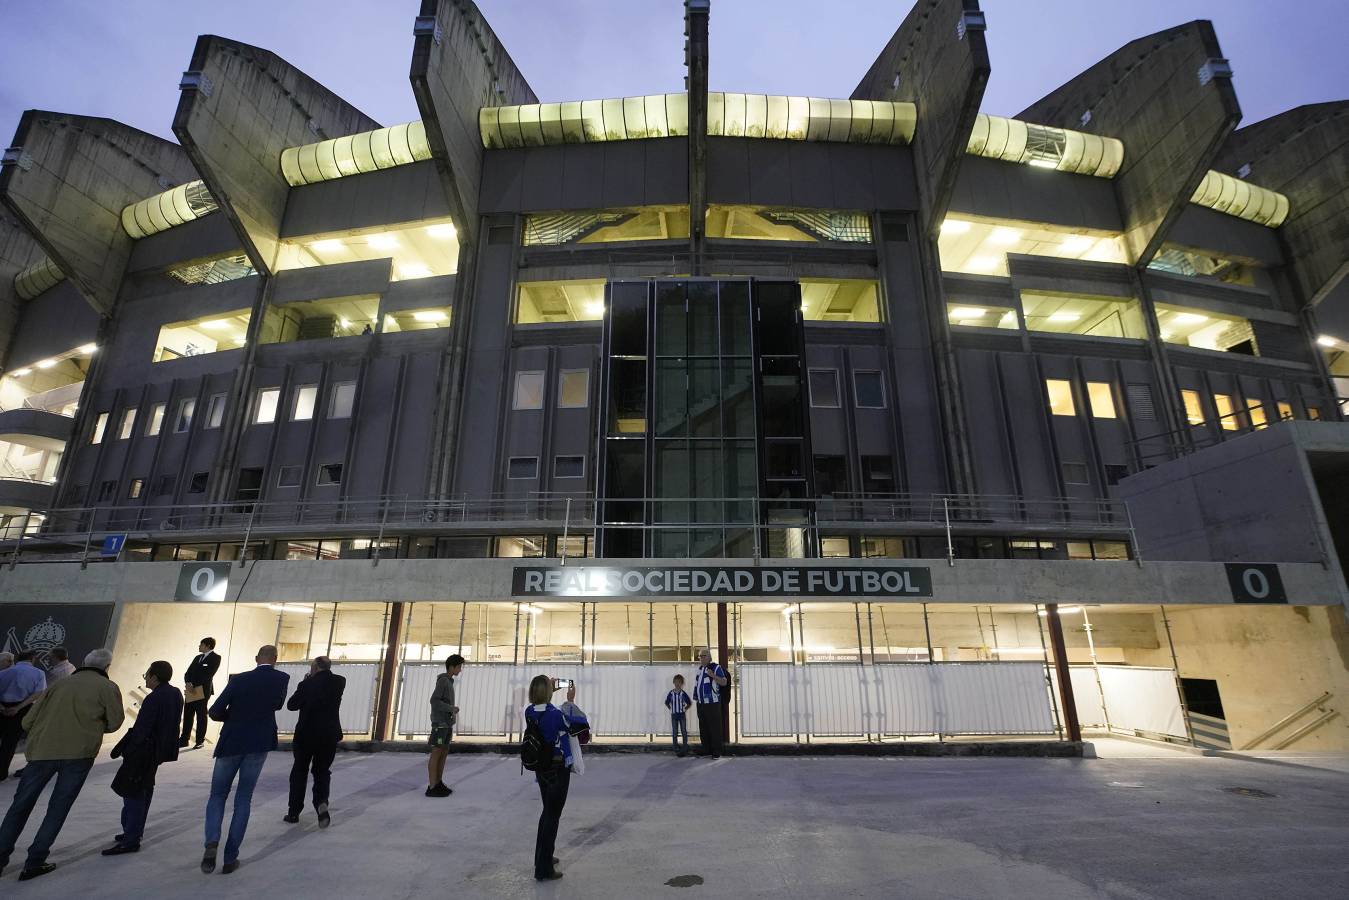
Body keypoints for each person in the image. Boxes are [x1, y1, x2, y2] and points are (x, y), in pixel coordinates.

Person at [0, 648, 123, 881]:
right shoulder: (108, 688)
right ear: (106, 668)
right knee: (58, 808)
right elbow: (115, 723)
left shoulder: (59, 685)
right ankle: (34, 862)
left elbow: (27, 721)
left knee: (20, 805)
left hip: (43, 752)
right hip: (78, 754)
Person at [201, 645, 289, 875]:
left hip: (231, 741)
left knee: (217, 795)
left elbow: (215, 710)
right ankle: (230, 857)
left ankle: (211, 841)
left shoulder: (239, 680)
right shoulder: (282, 679)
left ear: (256, 658)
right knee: (243, 798)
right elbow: (277, 704)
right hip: (259, 742)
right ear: (275, 660)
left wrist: (233, 718)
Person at [103, 660, 183, 855]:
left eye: (147, 674)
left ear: (154, 677)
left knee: (133, 792)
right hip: (158, 751)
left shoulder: (154, 698)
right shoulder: (175, 693)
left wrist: (130, 749)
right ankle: (133, 831)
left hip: (143, 751)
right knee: (144, 789)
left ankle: (130, 838)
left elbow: (143, 727)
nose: (146, 678)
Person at [525, 674, 575, 882]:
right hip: (557, 768)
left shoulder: (529, 712)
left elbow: (540, 708)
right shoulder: (555, 714)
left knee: (547, 812)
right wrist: (570, 701)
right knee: (553, 816)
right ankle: (544, 869)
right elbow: (572, 725)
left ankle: (542, 857)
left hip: (541, 767)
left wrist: (548, 693)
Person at [285, 656, 345, 827]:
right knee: (322, 771)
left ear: (316, 667)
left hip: (306, 735)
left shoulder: (306, 685)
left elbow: (292, 705)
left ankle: (294, 812)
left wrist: (304, 684)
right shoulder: (339, 682)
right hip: (329, 735)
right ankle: (321, 803)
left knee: (299, 771)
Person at [0, 650, 47, 781]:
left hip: (2, 708)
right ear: (32, 659)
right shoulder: (39, 673)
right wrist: (18, 707)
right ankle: (1, 772)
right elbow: (38, 693)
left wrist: (3, 707)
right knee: (10, 743)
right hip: (22, 709)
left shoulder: (3, 672)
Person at [426, 653, 463, 797]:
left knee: (443, 752)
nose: (460, 670)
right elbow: (434, 701)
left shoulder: (449, 682)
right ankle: (432, 786)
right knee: (437, 752)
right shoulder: (443, 681)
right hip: (440, 724)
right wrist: (451, 708)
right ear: (452, 667)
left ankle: (438, 782)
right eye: (459, 667)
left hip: (446, 724)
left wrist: (451, 712)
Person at [180, 637, 221, 750]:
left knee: (201, 716)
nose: (199, 646)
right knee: (188, 714)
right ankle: (184, 739)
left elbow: (209, 674)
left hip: (202, 690)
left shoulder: (216, 658)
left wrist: (194, 686)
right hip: (190, 689)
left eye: (201, 644)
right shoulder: (197, 657)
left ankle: (199, 741)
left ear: (207, 646)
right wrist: (188, 683)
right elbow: (188, 672)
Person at [692, 648, 728, 760]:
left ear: (709, 657)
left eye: (703, 656)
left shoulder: (716, 667)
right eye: (700, 656)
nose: (701, 658)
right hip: (701, 703)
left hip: (712, 703)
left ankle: (717, 751)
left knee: (714, 728)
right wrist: (697, 698)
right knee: (703, 728)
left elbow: (724, 682)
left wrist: (713, 676)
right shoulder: (700, 669)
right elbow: (697, 685)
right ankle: (706, 750)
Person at [664, 674, 692, 757]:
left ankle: (685, 747)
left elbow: (689, 703)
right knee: (675, 732)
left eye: (679, 682)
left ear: (682, 683)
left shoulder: (683, 693)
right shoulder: (671, 693)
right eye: (676, 682)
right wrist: (671, 709)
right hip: (674, 716)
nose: (677, 684)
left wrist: (684, 709)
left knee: (684, 731)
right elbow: (666, 702)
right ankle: (675, 747)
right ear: (673, 682)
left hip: (682, 715)